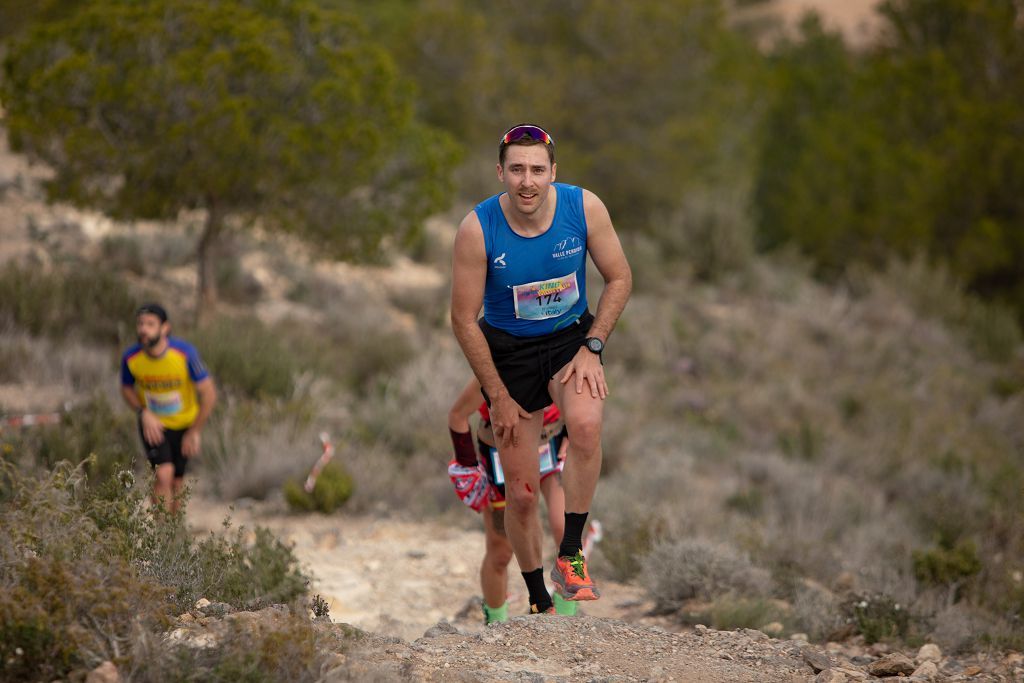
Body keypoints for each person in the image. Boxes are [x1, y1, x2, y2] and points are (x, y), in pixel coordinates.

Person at [450, 124, 631, 614]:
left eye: (536, 170)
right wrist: (498, 395)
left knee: (588, 425)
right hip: (509, 354)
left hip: (572, 338)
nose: (526, 181)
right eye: (516, 170)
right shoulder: (478, 228)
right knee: (523, 497)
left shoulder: (583, 207)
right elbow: (463, 320)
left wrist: (593, 345)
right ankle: (536, 598)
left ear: (553, 171)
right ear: (500, 173)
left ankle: (570, 553)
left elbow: (619, 277)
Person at [448, 377, 577, 622]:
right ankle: (496, 623)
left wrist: (573, 435)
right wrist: (468, 469)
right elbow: (457, 416)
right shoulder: (493, 374)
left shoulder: (551, 362)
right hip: (501, 459)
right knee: (501, 551)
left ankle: (564, 617)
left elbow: (576, 402)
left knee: (565, 530)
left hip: (550, 449)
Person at [120, 303, 217, 514]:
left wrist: (195, 431)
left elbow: (209, 394)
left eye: (150, 324)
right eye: (140, 324)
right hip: (154, 425)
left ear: (165, 328)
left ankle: (174, 532)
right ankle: (160, 533)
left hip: (185, 425)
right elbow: (126, 388)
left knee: (177, 481)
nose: (143, 329)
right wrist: (142, 412)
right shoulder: (131, 358)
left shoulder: (186, 354)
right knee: (163, 474)